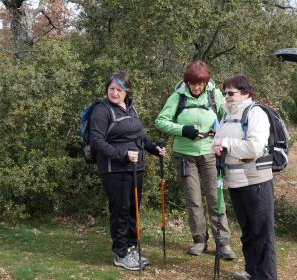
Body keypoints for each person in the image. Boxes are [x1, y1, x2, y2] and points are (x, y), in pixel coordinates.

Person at [155, 60, 236, 259]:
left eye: (201, 83)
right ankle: (199, 240)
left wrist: (218, 130)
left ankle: (223, 243)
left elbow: (229, 117)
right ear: (187, 82)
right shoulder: (177, 97)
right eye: (193, 83)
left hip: (210, 154)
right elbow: (160, 121)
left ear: (206, 82)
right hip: (184, 156)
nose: (197, 87)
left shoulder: (214, 94)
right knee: (194, 200)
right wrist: (184, 130)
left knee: (215, 198)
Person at [90, 70, 166, 271]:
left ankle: (131, 247)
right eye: (111, 89)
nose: (114, 93)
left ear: (127, 92)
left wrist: (153, 149)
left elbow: (138, 137)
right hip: (113, 169)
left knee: (133, 209)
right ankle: (121, 253)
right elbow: (97, 142)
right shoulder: (102, 110)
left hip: (135, 168)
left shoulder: (131, 109)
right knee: (121, 210)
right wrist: (123, 155)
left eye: (119, 90)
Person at [212, 75, 277, 280]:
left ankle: (266, 276)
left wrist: (226, 143)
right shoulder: (227, 115)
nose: (227, 96)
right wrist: (217, 144)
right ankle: (251, 271)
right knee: (248, 230)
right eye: (225, 93)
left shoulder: (255, 113)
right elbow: (219, 139)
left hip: (255, 180)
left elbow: (255, 148)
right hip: (235, 180)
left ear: (246, 93)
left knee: (262, 233)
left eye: (231, 93)